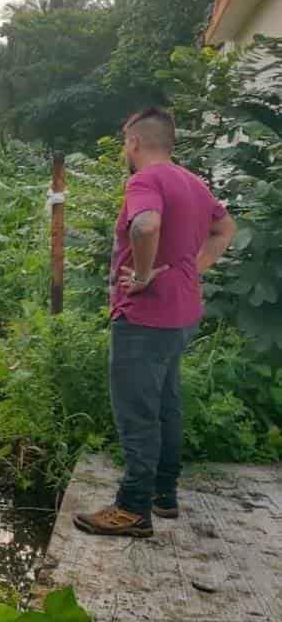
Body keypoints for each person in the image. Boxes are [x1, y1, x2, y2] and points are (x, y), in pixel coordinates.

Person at [74, 107, 237, 538]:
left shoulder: (144, 180)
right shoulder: (193, 182)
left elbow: (146, 226)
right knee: (166, 404)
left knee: (138, 414)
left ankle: (132, 510)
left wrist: (143, 275)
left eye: (126, 144)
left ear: (134, 143)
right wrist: (193, 268)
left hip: (146, 318)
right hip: (181, 314)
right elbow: (226, 228)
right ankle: (164, 494)